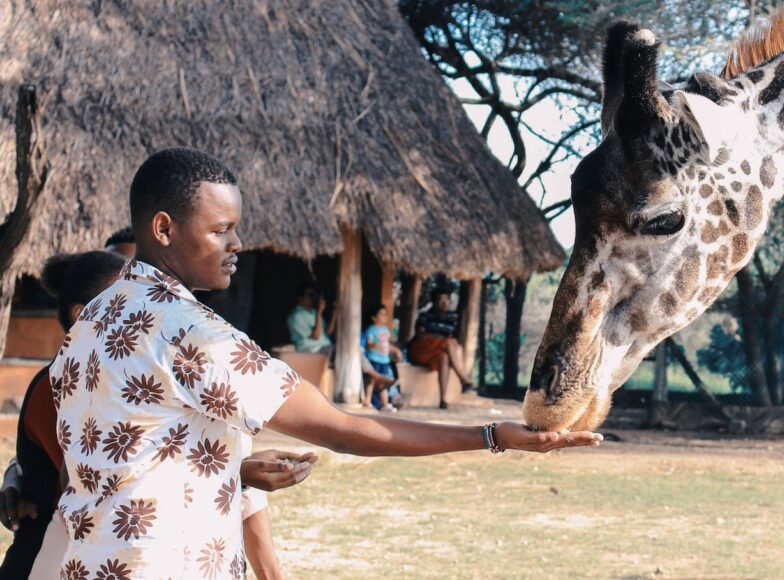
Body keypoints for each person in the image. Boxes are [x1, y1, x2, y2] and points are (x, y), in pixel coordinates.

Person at [49, 147, 600, 578]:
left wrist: (228, 467)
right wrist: (491, 436)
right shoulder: (187, 330)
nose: (238, 243)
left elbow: (132, 455)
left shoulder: (96, 318)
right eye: (220, 230)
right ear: (164, 229)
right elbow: (344, 429)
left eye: (236, 227)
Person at [0, 251, 316, 579]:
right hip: (49, 562)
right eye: (121, 299)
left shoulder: (136, 377)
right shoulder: (66, 385)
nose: (142, 306)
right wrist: (238, 473)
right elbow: (102, 484)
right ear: (83, 314)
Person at [407, 286, 475, 409]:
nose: (444, 303)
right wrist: (441, 340)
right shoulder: (425, 316)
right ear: (433, 302)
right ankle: (463, 379)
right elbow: (420, 336)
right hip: (421, 351)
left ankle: (442, 399)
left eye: (446, 300)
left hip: (436, 353)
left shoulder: (452, 317)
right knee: (448, 342)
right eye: (440, 300)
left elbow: (453, 336)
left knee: (444, 357)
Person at [363, 304, 401, 411]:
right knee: (371, 380)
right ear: (374, 318)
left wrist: (396, 351)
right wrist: (375, 345)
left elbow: (388, 344)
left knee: (382, 383)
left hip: (384, 360)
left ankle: (385, 404)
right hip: (374, 360)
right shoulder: (371, 330)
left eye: (385, 314)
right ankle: (367, 401)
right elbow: (368, 345)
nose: (384, 317)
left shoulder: (385, 330)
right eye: (381, 314)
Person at [287, 283, 335, 354]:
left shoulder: (313, 312)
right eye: (310, 295)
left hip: (326, 346)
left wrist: (335, 312)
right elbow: (316, 336)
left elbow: (328, 332)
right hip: (313, 350)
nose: (314, 298)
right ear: (300, 298)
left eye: (315, 295)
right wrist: (319, 313)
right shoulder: (296, 316)